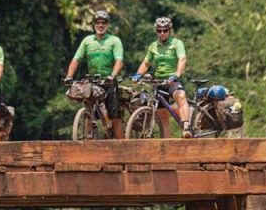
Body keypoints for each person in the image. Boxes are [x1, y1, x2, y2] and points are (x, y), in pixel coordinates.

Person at [64, 10, 125, 139]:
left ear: (108, 25)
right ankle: (88, 139)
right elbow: (76, 59)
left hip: (108, 82)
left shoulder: (114, 41)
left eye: (103, 23)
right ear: (94, 25)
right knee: (89, 112)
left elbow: (119, 61)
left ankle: (122, 146)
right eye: (98, 23)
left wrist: (113, 75)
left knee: (115, 115)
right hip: (92, 82)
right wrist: (69, 76)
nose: (100, 25)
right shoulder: (87, 41)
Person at [132, 17, 191, 138]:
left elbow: (182, 59)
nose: (162, 33)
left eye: (165, 30)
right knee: (163, 116)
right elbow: (146, 63)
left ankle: (186, 127)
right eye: (159, 30)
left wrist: (176, 74)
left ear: (169, 30)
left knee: (180, 96)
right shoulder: (153, 46)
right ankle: (166, 144)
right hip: (159, 82)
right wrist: (138, 75)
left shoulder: (177, 43)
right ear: (156, 31)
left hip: (172, 80)